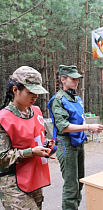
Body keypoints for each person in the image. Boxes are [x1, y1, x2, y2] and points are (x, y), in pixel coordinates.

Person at [47, 65, 103, 210]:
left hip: (78, 143)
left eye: (78, 79)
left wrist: (88, 128)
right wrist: (88, 127)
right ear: (63, 80)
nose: (76, 82)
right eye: (73, 79)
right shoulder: (58, 100)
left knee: (79, 183)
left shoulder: (76, 98)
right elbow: (63, 126)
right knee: (71, 186)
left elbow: (79, 119)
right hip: (66, 145)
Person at [0, 66, 52, 209]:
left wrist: (48, 146)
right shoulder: (3, 119)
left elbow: (40, 138)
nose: (35, 97)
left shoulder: (36, 111)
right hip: (13, 184)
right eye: (30, 92)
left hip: (34, 179)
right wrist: (31, 152)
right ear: (15, 90)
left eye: (37, 93)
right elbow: (2, 157)